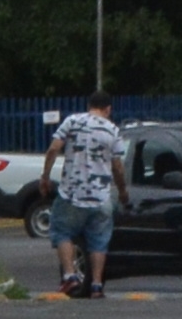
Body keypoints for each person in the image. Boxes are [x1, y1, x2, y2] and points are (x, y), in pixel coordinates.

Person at [41, 94, 128, 299]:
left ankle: (70, 276)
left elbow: (54, 148)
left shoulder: (72, 121)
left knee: (62, 231)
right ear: (108, 109)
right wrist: (123, 191)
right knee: (99, 241)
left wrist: (45, 176)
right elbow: (118, 167)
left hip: (72, 193)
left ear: (89, 106)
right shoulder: (113, 130)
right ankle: (97, 285)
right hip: (101, 196)